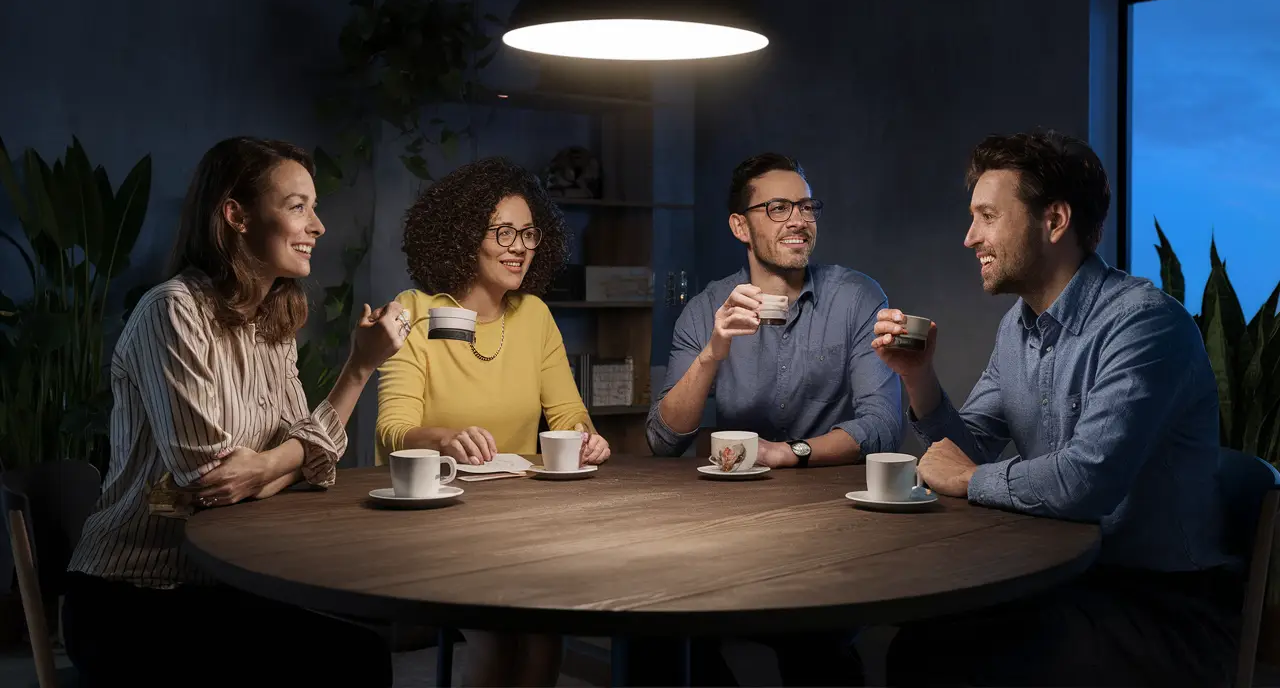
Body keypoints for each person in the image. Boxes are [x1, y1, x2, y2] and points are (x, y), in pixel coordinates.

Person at [875, 130, 1240, 687]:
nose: (970, 238)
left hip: (1158, 607)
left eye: (987, 216)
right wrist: (918, 376)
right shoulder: (1016, 329)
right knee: (918, 646)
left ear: (1055, 221)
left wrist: (970, 479)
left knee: (943, 659)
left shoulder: (1144, 324)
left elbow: (1085, 482)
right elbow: (967, 447)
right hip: (1065, 581)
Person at [62, 137, 406, 687]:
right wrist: (281, 465)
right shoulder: (173, 311)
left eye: (314, 209)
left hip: (225, 583)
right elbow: (207, 482)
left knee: (360, 652)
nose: (318, 226)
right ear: (235, 216)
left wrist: (358, 371)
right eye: (298, 207)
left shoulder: (272, 320)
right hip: (130, 595)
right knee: (345, 661)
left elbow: (315, 468)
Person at [638, 153, 904, 685]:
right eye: (778, 208)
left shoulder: (856, 297)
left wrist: (794, 452)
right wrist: (713, 353)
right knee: (659, 629)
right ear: (741, 225)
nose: (798, 221)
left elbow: (883, 424)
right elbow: (662, 439)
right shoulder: (708, 307)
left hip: (830, 524)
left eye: (806, 207)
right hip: (730, 525)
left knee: (814, 642)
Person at [375, 156, 610, 686]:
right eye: (503, 231)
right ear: (463, 235)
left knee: (546, 629)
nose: (520, 246)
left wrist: (587, 439)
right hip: (439, 520)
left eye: (529, 233)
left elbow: (570, 413)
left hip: (523, 521)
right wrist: (443, 439)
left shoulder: (534, 316)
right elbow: (391, 431)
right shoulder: (413, 311)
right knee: (503, 634)